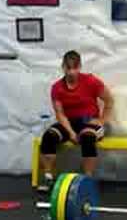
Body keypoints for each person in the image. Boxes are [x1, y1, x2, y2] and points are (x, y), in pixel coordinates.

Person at [38, 50, 114, 192]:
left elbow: (109, 100)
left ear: (79, 67)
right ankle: (48, 178)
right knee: (49, 136)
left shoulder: (91, 81)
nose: (72, 72)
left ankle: (87, 180)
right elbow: (60, 114)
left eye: (75, 68)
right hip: (69, 123)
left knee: (87, 137)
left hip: (90, 122)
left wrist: (102, 121)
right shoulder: (57, 87)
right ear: (63, 67)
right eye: (68, 68)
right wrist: (71, 133)